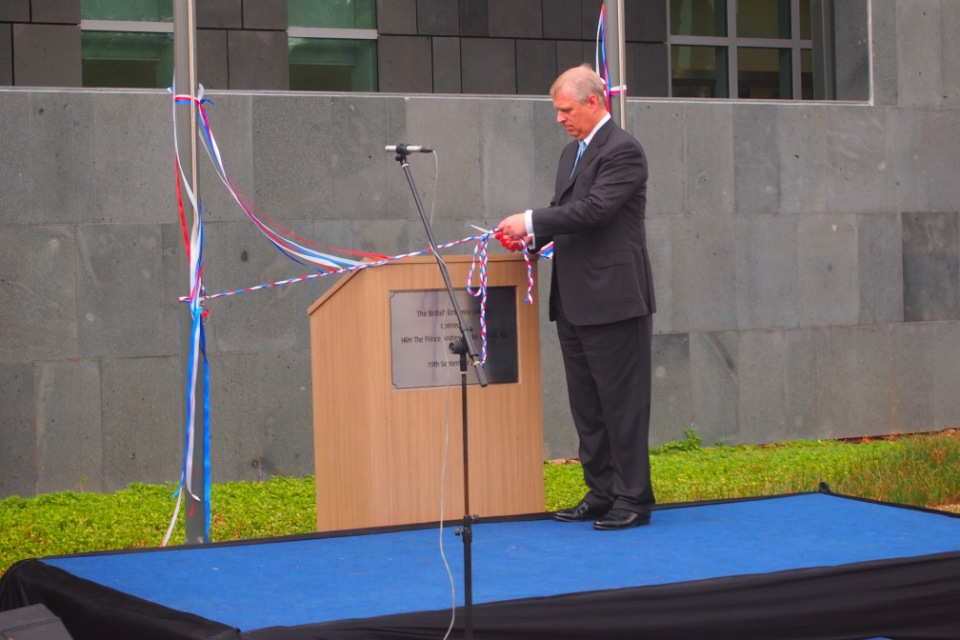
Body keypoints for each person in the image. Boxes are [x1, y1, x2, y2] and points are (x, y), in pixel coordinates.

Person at [497, 64, 656, 530]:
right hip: (574, 299)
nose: (559, 118)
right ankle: (602, 490)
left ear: (594, 102)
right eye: (556, 110)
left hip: (614, 301)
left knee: (621, 404)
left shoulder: (624, 150)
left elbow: (594, 211)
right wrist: (531, 239)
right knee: (587, 405)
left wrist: (530, 219)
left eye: (566, 109)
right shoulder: (571, 154)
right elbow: (566, 216)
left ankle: (633, 498)